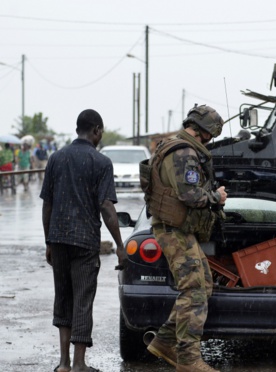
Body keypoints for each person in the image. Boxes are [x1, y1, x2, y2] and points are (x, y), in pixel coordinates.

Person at [40, 109, 126, 372]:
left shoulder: (56, 158)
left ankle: (64, 364)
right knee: (82, 300)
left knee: (63, 297)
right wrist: (120, 247)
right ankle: (79, 364)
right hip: (85, 241)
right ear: (96, 130)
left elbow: (47, 205)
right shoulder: (101, 162)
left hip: (59, 239)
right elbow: (107, 207)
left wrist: (49, 242)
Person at [144, 104, 226, 372]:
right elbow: (190, 196)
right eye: (211, 135)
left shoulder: (175, 145)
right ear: (206, 132)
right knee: (193, 290)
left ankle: (166, 341)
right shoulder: (183, 152)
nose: (210, 141)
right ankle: (189, 360)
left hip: (177, 229)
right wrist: (217, 197)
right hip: (173, 230)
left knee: (204, 283)